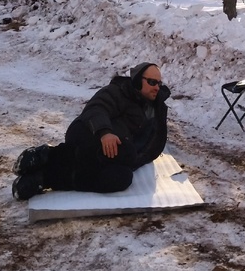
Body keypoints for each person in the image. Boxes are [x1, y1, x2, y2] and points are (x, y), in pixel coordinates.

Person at [12, 61, 170, 200]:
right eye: (151, 82)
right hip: (89, 133)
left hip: (117, 153)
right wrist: (104, 132)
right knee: (124, 151)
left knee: (122, 178)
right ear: (137, 81)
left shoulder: (158, 109)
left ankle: (45, 178)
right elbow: (96, 108)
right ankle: (45, 156)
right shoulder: (118, 91)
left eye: (159, 84)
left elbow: (154, 144)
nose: (156, 87)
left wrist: (132, 162)